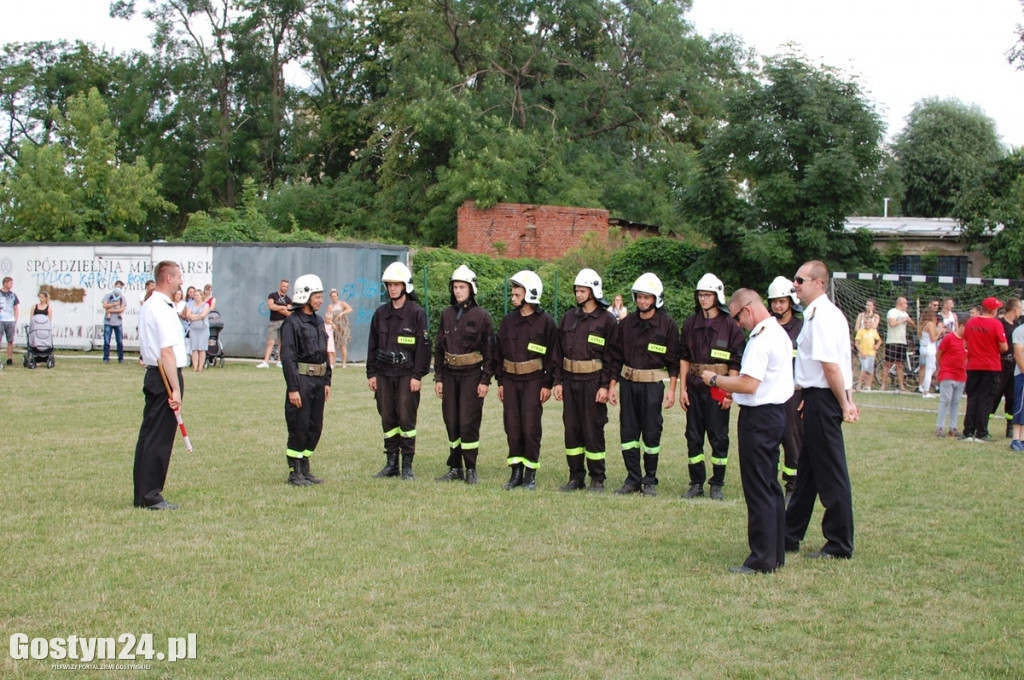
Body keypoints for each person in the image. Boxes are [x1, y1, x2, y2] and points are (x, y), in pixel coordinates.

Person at [702, 289, 793, 574]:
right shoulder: (778, 332)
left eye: (738, 317)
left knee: (757, 488)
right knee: (770, 485)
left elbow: (749, 384)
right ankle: (775, 552)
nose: (739, 324)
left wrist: (715, 379)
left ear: (748, 309)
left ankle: (761, 559)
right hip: (775, 414)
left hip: (759, 418)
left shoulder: (761, 338)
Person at [785, 260, 858, 560]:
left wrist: (844, 404)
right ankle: (789, 533)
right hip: (817, 397)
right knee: (808, 475)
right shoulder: (816, 315)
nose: (795, 285)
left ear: (818, 282)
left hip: (825, 399)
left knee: (831, 473)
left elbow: (831, 366)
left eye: (800, 280)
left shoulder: (824, 316)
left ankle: (839, 543)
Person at [607, 273, 679, 496]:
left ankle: (650, 479)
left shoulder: (667, 325)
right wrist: (611, 386)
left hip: (652, 388)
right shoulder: (626, 324)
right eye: (639, 297)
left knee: (651, 433)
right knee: (628, 433)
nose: (642, 301)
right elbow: (615, 357)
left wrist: (672, 391)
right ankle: (632, 479)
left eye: (647, 298)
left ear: (656, 299)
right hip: (628, 385)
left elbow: (674, 361)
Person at [678, 273, 745, 500]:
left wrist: (730, 392)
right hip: (695, 387)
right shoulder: (690, 324)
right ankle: (696, 483)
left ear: (718, 296)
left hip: (719, 389)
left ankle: (716, 484)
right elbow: (684, 357)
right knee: (693, 437)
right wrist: (682, 389)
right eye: (700, 295)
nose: (703, 299)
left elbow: (735, 361)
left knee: (718, 437)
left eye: (707, 295)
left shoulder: (730, 327)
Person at [552, 268, 617, 493]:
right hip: (570, 381)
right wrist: (558, 381)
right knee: (572, 429)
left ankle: (597, 478)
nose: (578, 295)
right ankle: (575, 477)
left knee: (593, 430)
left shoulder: (607, 320)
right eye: (577, 290)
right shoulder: (569, 317)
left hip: (593, 383)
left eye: (582, 291)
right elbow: (557, 352)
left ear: (593, 292)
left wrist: (605, 386)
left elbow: (612, 356)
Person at [492, 270, 557, 491]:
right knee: (512, 427)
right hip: (510, 381)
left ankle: (530, 473)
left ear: (530, 294)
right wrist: (500, 382)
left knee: (530, 428)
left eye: (516, 294)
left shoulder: (546, 322)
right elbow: (498, 353)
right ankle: (516, 472)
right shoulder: (508, 321)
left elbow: (552, 356)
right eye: (512, 294)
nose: (513, 298)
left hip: (534, 382)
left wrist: (547, 384)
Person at [367, 262, 430, 480]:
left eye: (396, 284)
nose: (392, 288)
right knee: (388, 418)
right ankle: (391, 463)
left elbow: (424, 347)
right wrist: (371, 373)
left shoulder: (416, 314)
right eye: (389, 284)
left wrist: (417, 375)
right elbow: (372, 345)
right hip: (384, 374)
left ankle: (407, 466)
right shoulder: (380, 314)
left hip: (406, 375)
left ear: (406, 286)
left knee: (406, 419)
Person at [133, 261, 187, 510]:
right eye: (178, 277)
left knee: (149, 435)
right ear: (168, 278)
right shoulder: (162, 307)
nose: (181, 282)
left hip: (155, 374)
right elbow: (167, 351)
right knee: (159, 438)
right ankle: (151, 494)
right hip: (165, 375)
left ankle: (143, 493)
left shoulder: (150, 305)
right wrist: (175, 389)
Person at [433, 265, 494, 485]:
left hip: (471, 376)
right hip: (449, 375)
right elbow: (439, 348)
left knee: (468, 422)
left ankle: (471, 469)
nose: (458, 291)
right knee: (451, 421)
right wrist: (438, 378)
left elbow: (490, 351)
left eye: (462, 287)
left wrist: (485, 379)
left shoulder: (482, 316)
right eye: (455, 287)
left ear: (471, 289)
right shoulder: (446, 315)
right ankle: (455, 467)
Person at [281, 274, 332, 486]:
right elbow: (288, 357)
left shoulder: (319, 322)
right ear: (306, 296)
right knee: (299, 425)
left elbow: (324, 352)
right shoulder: (292, 323)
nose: (321, 300)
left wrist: (327, 381)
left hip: (318, 381)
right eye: (318, 296)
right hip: (301, 381)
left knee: (314, 426)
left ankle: (305, 465)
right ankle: (294, 471)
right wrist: (293, 388)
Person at [767, 276, 804, 503]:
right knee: (770, 437)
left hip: (794, 393)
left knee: (792, 439)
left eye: (782, 301)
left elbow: (810, 362)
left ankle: (793, 484)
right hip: (770, 392)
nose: (778, 306)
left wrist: (807, 393)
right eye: (774, 302)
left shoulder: (802, 328)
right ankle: (770, 479)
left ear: (791, 301)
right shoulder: (767, 328)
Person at [960, 297, 1008, 442]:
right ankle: (982, 432)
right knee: (986, 399)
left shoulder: (971, 322)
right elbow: (1004, 347)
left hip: (974, 365)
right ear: (993, 310)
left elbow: (965, 345)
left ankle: (968, 430)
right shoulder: (996, 324)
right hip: (991, 365)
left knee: (972, 397)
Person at [990, 298, 1021, 437]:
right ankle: (984, 423)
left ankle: (1010, 426)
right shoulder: (999, 323)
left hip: (1014, 363)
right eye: (1020, 309)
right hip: (1001, 363)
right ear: (1014, 310)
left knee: (1012, 396)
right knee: (995, 393)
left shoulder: (1017, 325)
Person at [935, 313, 968, 438]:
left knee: (956, 401)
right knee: (945, 400)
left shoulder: (967, 341)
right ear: (962, 326)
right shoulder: (949, 338)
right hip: (948, 373)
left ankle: (953, 427)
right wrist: (941, 367)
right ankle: (940, 427)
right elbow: (939, 353)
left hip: (961, 375)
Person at [882, 296, 915, 392]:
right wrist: (902, 320)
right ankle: (883, 385)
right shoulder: (892, 312)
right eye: (906, 304)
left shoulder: (905, 314)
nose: (907, 306)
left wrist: (909, 321)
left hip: (902, 341)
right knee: (887, 363)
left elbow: (913, 325)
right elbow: (892, 324)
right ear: (900, 304)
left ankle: (902, 386)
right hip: (892, 341)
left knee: (899, 364)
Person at [258, 279, 292, 368]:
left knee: (281, 342)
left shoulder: (288, 299)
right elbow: (271, 306)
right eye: (283, 286)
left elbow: (289, 312)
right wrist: (282, 307)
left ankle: (279, 361)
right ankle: (266, 362)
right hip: (273, 322)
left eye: (286, 287)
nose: (285, 288)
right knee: (270, 341)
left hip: (284, 322)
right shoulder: (272, 295)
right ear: (280, 286)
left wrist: (278, 308)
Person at [325, 289, 354, 368]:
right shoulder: (330, 307)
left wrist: (342, 313)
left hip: (343, 326)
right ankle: (333, 363)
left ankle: (344, 363)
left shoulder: (342, 303)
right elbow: (327, 317)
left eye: (335, 296)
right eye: (332, 296)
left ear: (337, 296)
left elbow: (350, 309)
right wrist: (331, 323)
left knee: (343, 345)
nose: (334, 297)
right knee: (333, 346)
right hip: (334, 327)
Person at [101, 281, 126, 364]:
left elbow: (121, 309)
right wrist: (114, 304)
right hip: (108, 322)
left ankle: (120, 358)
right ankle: (106, 358)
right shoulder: (108, 296)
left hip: (118, 322)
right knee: (107, 341)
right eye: (118, 286)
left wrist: (110, 310)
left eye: (120, 288)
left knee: (119, 341)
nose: (119, 289)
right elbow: (104, 305)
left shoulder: (122, 298)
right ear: (115, 286)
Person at [854, 317, 881, 393]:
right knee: (864, 368)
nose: (867, 324)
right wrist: (862, 352)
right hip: (863, 354)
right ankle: (859, 385)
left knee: (870, 370)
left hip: (871, 353)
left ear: (871, 323)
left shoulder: (873, 332)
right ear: (864, 323)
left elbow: (879, 340)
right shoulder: (861, 331)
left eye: (869, 323)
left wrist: (877, 346)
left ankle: (867, 386)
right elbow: (857, 343)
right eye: (866, 323)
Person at [186, 287, 211, 372]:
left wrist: (194, 317)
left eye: (197, 295)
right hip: (193, 329)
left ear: (201, 296)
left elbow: (203, 315)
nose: (195, 296)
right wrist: (197, 317)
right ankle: (195, 366)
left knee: (202, 348)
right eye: (195, 295)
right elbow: (188, 315)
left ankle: (200, 366)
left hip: (203, 329)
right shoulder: (191, 305)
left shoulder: (206, 305)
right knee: (194, 348)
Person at [917, 308, 939, 397]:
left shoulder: (922, 324)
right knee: (929, 370)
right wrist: (940, 332)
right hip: (929, 348)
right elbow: (933, 339)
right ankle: (926, 392)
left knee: (932, 368)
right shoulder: (930, 324)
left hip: (923, 348)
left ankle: (923, 386)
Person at [1010, 318, 1024, 451]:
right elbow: (1018, 354)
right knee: (1020, 406)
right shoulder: (1020, 331)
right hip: (1022, 374)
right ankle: (1016, 438)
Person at [0, 277, 17, 367]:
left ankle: (9, 358)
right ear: (5, 283)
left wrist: (15, 319)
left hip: (10, 320)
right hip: (1, 320)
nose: (11, 285)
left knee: (10, 340)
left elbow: (15, 308)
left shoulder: (13, 295)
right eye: (10, 283)